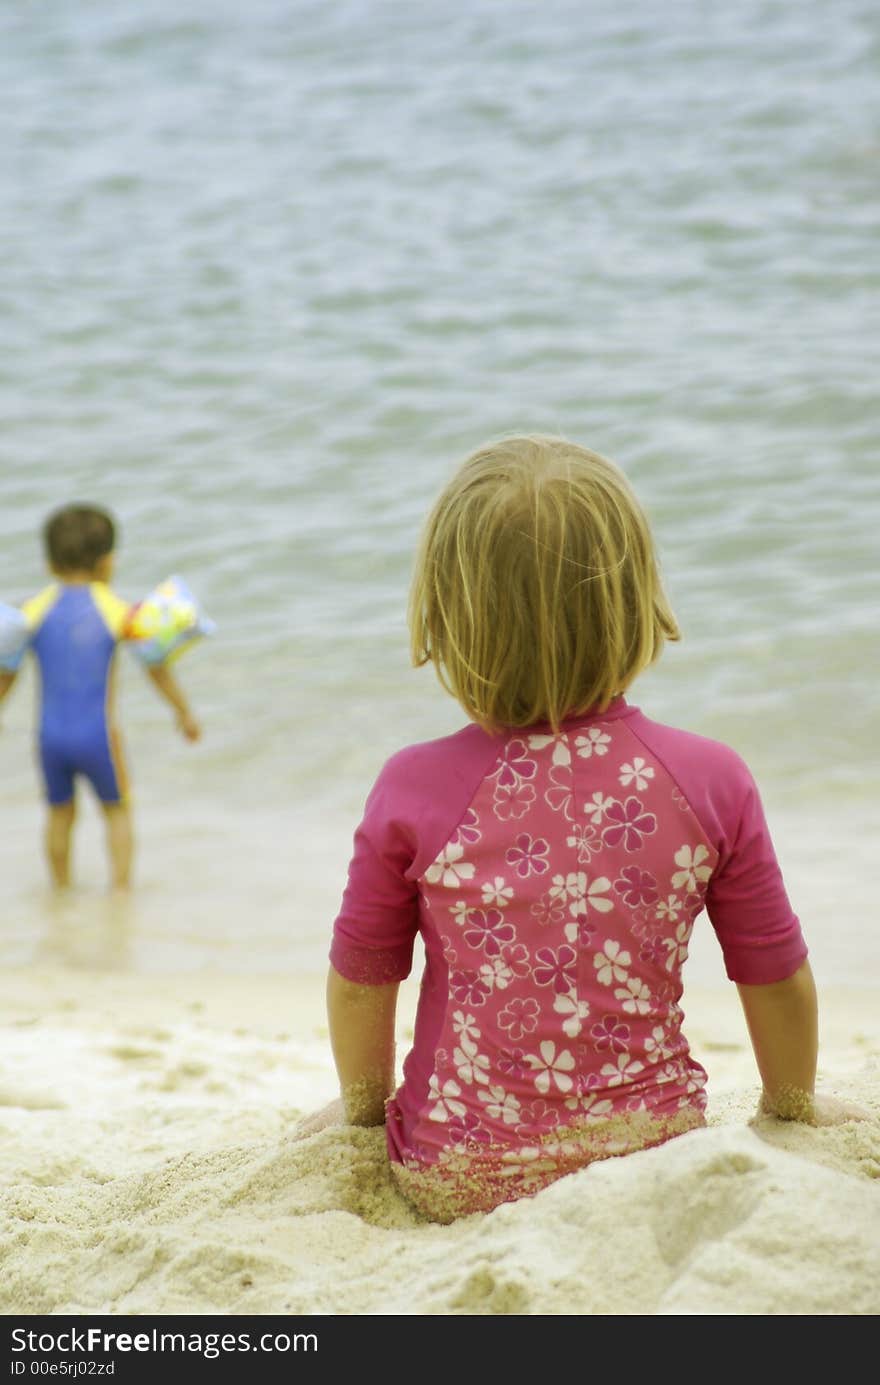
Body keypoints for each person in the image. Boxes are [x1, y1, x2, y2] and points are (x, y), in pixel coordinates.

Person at [298, 434, 864, 1224]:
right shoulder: (710, 780)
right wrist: (790, 1104)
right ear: (635, 601)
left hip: (458, 1165)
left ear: (447, 614)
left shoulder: (412, 788)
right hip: (656, 1154)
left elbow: (364, 977)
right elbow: (773, 974)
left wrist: (361, 1110)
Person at [0, 503, 202, 892]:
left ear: (48, 563)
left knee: (59, 813)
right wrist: (183, 712)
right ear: (108, 562)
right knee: (117, 811)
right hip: (99, 739)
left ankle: (60, 891)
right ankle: (120, 892)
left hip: (49, 739)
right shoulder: (118, 611)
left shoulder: (31, 612)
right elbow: (155, 667)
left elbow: (6, 674)